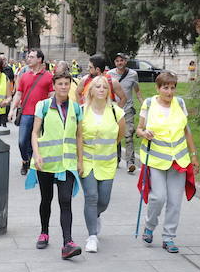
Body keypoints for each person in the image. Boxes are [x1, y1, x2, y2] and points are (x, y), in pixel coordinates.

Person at [136, 71, 199, 253]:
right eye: (165, 87)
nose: (169, 92)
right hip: (156, 159)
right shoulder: (149, 104)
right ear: (158, 88)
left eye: (172, 88)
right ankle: (149, 225)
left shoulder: (179, 103)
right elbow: (139, 129)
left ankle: (169, 237)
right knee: (158, 197)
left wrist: (193, 155)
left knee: (174, 201)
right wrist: (144, 133)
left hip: (179, 159)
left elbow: (186, 131)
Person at [27, 72, 83, 259]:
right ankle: (44, 232)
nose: (64, 87)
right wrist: (37, 154)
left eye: (67, 84)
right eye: (60, 84)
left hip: (66, 163)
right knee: (46, 199)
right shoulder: (43, 106)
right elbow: (34, 133)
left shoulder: (76, 108)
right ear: (54, 85)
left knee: (65, 200)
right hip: (46, 161)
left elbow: (79, 136)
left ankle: (68, 242)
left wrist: (80, 160)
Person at [78, 75, 125, 253]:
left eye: (104, 87)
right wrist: (79, 160)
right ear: (90, 90)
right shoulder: (82, 111)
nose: (101, 90)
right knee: (91, 197)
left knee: (103, 201)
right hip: (87, 161)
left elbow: (120, 135)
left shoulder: (116, 112)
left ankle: (96, 215)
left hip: (107, 162)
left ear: (108, 92)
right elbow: (78, 137)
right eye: (97, 87)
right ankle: (92, 236)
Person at [8, 49, 54, 175]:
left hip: (42, 115)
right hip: (26, 113)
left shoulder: (49, 76)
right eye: (28, 57)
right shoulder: (24, 76)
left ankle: (35, 163)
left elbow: (52, 96)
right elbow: (18, 94)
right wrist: (12, 110)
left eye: (32, 57)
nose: (28, 59)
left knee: (39, 141)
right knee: (22, 141)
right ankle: (25, 160)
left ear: (39, 59)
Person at [108, 53, 144, 173]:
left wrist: (143, 103)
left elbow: (137, 91)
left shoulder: (133, 74)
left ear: (125, 62)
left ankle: (130, 163)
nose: (119, 63)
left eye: (121, 60)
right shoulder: (109, 74)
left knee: (128, 136)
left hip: (128, 109)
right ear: (115, 63)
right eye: (117, 61)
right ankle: (116, 159)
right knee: (115, 135)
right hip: (114, 109)